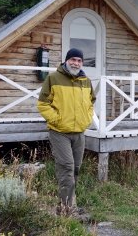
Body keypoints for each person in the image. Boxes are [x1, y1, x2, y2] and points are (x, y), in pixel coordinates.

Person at [37, 48, 95, 216]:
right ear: (66, 60)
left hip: (79, 132)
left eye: (79, 60)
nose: (76, 63)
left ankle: (70, 204)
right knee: (66, 167)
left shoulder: (86, 81)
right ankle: (66, 208)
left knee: (76, 168)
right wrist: (57, 119)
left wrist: (87, 119)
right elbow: (42, 104)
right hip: (59, 132)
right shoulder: (53, 78)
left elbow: (91, 102)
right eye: (73, 60)